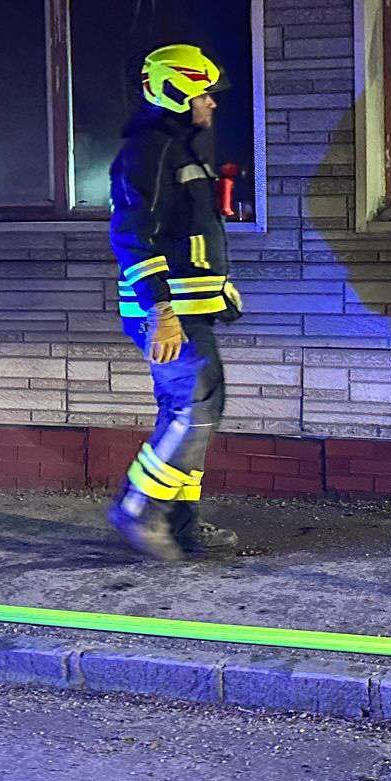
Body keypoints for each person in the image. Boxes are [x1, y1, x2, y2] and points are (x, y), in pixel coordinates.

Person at [105, 44, 244, 562]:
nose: (212, 103)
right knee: (195, 409)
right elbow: (131, 235)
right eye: (204, 93)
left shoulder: (176, 149)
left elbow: (184, 234)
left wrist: (217, 287)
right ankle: (140, 509)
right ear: (177, 93)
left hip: (187, 309)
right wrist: (162, 313)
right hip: (170, 314)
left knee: (191, 413)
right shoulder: (148, 151)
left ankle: (181, 522)